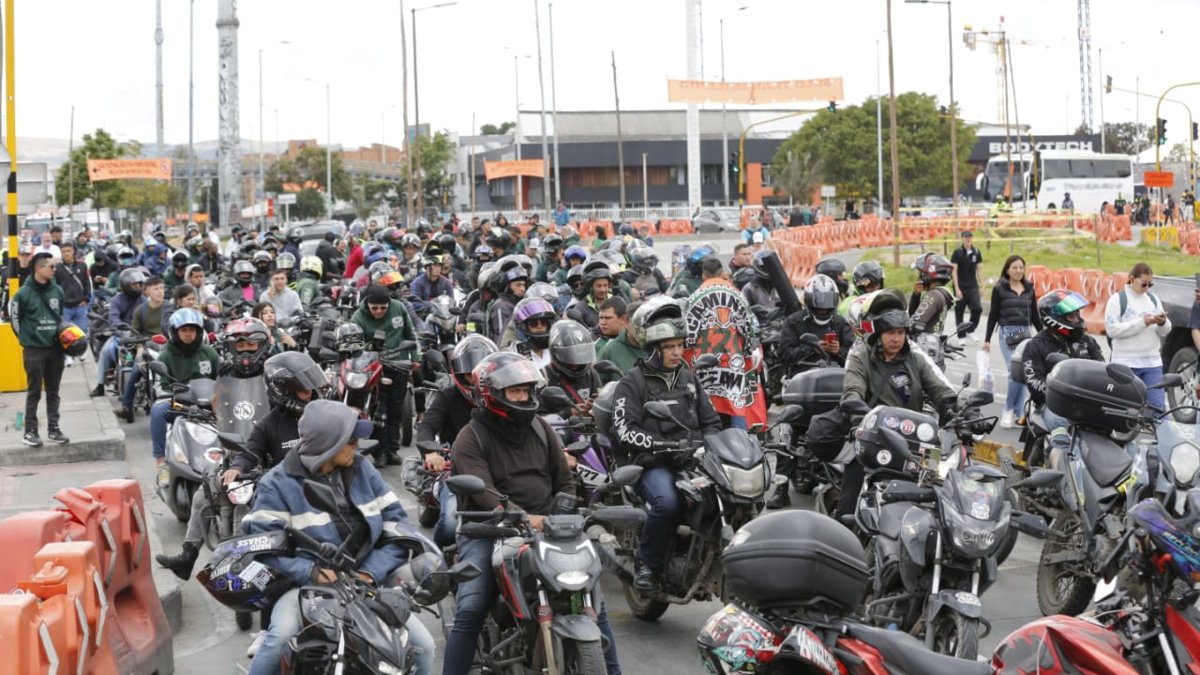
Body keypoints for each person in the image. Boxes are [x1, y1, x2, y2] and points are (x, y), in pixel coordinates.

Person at [443, 351, 622, 675]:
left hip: (549, 527)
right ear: (491, 393)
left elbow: (564, 480)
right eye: (515, 391)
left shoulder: (540, 427)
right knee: (472, 605)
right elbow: (482, 491)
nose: (523, 397)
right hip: (488, 529)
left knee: (590, 598)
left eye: (526, 390)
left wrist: (564, 509)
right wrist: (518, 515)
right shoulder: (470, 437)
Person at [241, 399, 436, 675]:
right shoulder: (276, 484)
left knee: (423, 647)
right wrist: (311, 571)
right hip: (306, 589)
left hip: (365, 584)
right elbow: (261, 548)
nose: (357, 444)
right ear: (328, 443)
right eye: (350, 438)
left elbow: (398, 528)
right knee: (279, 639)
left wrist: (370, 572)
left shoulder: (363, 469)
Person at [611, 298, 721, 590]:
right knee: (667, 503)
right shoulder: (632, 382)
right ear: (654, 349)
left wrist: (712, 444)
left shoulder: (688, 379)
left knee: (726, 498)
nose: (676, 352)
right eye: (669, 347)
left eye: (679, 346)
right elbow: (624, 429)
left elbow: (710, 421)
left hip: (692, 461)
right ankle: (649, 564)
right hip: (652, 464)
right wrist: (661, 444)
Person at [154, 318, 270, 580]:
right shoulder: (226, 374)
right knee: (202, 494)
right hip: (234, 449)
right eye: (240, 345)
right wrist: (200, 407)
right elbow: (217, 404)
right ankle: (188, 555)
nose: (246, 351)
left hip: (270, 452)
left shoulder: (273, 373)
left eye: (252, 344)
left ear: (262, 345)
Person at [837, 289, 955, 518]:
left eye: (901, 333)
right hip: (874, 434)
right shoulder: (860, 353)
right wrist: (857, 413)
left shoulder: (914, 354)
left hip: (918, 437)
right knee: (851, 494)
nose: (897, 339)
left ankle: (938, 538)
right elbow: (852, 389)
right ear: (879, 333)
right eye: (890, 333)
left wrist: (954, 407)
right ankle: (846, 536)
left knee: (938, 489)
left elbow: (939, 385)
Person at [415, 335, 497, 546]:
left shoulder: (502, 398)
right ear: (459, 375)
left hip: (498, 467)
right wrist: (432, 452)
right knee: (451, 523)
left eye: (481, 373)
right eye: (470, 374)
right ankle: (441, 564)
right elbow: (426, 427)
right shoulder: (447, 396)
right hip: (454, 469)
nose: (476, 379)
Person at [1019, 290, 1103, 460]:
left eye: (1078, 314)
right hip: (1052, 405)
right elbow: (1034, 382)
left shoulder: (1088, 342)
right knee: (1061, 431)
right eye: (1072, 315)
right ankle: (1060, 479)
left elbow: (1103, 370)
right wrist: (1061, 393)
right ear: (1054, 318)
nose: (1078, 319)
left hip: (1087, 403)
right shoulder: (1035, 346)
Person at [149, 308, 221, 487]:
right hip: (181, 403)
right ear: (175, 332)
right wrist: (174, 393)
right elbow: (161, 386)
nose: (188, 334)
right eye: (184, 330)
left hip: (208, 404)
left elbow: (222, 379)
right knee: (158, 411)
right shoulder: (166, 355)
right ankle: (161, 463)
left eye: (192, 330)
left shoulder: (209, 352)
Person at [351, 284, 421, 465]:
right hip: (373, 368)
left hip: (399, 365)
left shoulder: (399, 307)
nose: (379, 311)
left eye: (383, 307)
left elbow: (410, 333)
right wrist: (369, 348)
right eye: (375, 308)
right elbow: (354, 347)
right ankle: (380, 452)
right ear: (367, 305)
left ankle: (393, 450)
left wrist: (415, 357)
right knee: (377, 409)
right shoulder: (357, 318)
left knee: (395, 409)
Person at [11, 252, 69, 447]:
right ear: (38, 268)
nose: (54, 270)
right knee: (34, 391)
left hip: (55, 350)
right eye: (51, 267)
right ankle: (30, 431)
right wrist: (27, 340)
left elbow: (60, 317)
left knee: (54, 391)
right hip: (34, 350)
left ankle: (54, 428)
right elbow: (15, 320)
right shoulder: (22, 294)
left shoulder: (57, 291)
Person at [982, 255, 1040, 429]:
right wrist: (987, 339)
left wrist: (1044, 335)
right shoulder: (999, 288)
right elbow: (992, 315)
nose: (1018, 271)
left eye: (1021, 267)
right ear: (1007, 269)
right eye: (1014, 267)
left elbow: (1035, 315)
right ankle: (1008, 410)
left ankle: (1019, 412)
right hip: (1008, 334)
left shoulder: (1029, 288)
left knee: (1023, 373)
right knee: (1014, 372)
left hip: (1026, 333)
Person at [1105, 262, 1171, 410]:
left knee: (1157, 407)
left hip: (1152, 362)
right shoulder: (1117, 300)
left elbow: (1165, 331)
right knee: (1125, 408)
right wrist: (1142, 323)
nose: (1147, 288)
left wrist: (1162, 322)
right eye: (1143, 284)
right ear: (1132, 278)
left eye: (1150, 284)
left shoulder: (1153, 300)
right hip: (1125, 363)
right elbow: (1112, 330)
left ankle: (1158, 433)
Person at [114, 277, 169, 422]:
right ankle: (126, 406)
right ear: (147, 292)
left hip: (168, 347)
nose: (160, 292)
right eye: (156, 289)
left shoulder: (170, 308)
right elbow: (135, 334)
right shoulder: (141, 311)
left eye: (162, 288)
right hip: (148, 347)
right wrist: (139, 348)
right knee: (136, 369)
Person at [91, 268, 146, 397]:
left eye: (139, 284)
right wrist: (119, 327)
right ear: (126, 285)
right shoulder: (117, 300)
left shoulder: (144, 300)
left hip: (140, 335)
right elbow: (113, 316)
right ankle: (100, 385)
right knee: (106, 351)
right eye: (134, 284)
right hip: (121, 335)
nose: (137, 287)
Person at [54, 240, 92, 358]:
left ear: (74, 252)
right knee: (65, 333)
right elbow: (55, 285)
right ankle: (68, 356)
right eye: (63, 251)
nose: (66, 253)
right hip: (65, 306)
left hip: (80, 304)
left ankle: (82, 351)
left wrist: (86, 298)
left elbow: (87, 283)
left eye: (68, 251)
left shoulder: (82, 265)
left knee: (82, 329)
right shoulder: (57, 268)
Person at [909, 252, 955, 337]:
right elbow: (913, 315)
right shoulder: (941, 293)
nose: (919, 278)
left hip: (924, 345)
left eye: (921, 273)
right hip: (933, 343)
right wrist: (916, 295)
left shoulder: (933, 295)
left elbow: (914, 323)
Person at [504, 297, 556, 371]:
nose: (540, 327)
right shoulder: (515, 355)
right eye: (533, 324)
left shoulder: (555, 350)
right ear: (522, 327)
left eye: (543, 323)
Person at [598, 300, 647, 372]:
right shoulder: (609, 351)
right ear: (626, 321)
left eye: (648, 323)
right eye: (638, 323)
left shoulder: (659, 347)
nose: (602, 322)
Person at [950, 230, 983, 334]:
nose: (968, 239)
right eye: (966, 237)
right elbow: (953, 271)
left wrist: (982, 285)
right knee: (959, 311)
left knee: (977, 308)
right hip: (960, 286)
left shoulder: (976, 252)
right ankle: (961, 335)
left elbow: (980, 270)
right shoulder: (957, 252)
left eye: (970, 237)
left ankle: (970, 329)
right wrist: (957, 288)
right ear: (962, 239)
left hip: (972, 286)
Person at [567, 259, 613, 332]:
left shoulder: (617, 301)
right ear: (590, 287)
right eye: (598, 286)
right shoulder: (581, 307)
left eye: (605, 285)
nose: (603, 290)